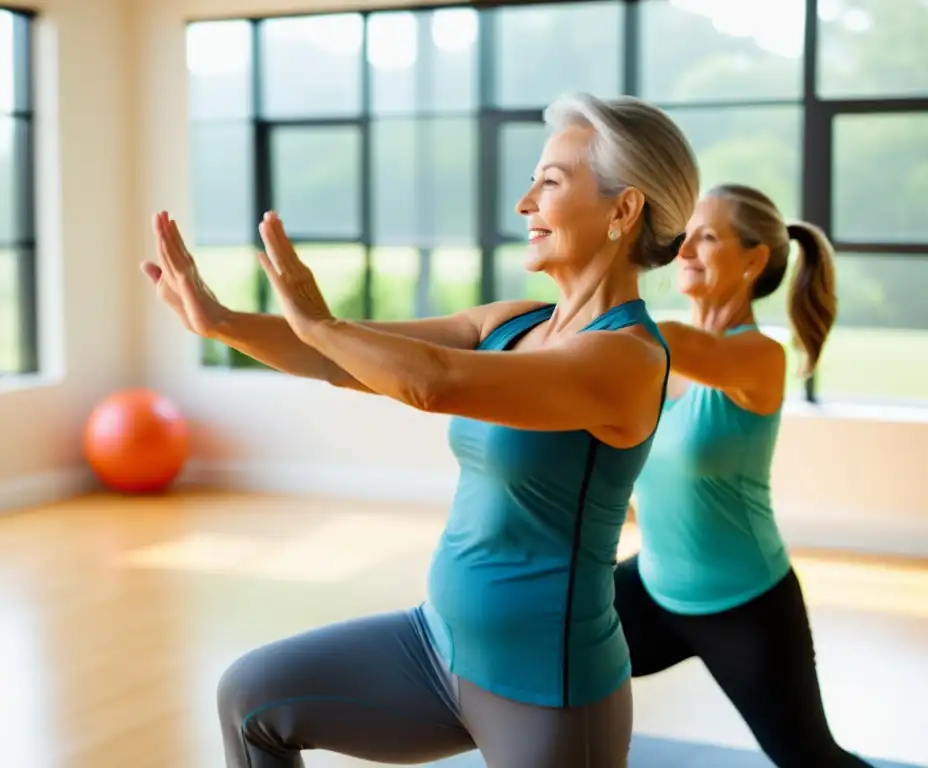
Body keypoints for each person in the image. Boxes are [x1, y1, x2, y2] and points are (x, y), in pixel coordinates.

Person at [143, 93, 700, 767]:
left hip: (549, 688)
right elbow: (340, 357)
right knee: (252, 699)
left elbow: (434, 382)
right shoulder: (511, 324)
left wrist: (324, 323)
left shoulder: (627, 359)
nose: (524, 203)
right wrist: (221, 321)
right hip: (435, 649)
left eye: (549, 183)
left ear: (623, 209)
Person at [614, 183, 871, 767]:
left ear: (754, 260)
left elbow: (674, 340)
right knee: (547, 636)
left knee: (811, 758)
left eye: (706, 237)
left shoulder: (758, 357)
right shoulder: (662, 352)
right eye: (686, 237)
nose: (685, 251)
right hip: (655, 586)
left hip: (745, 607)